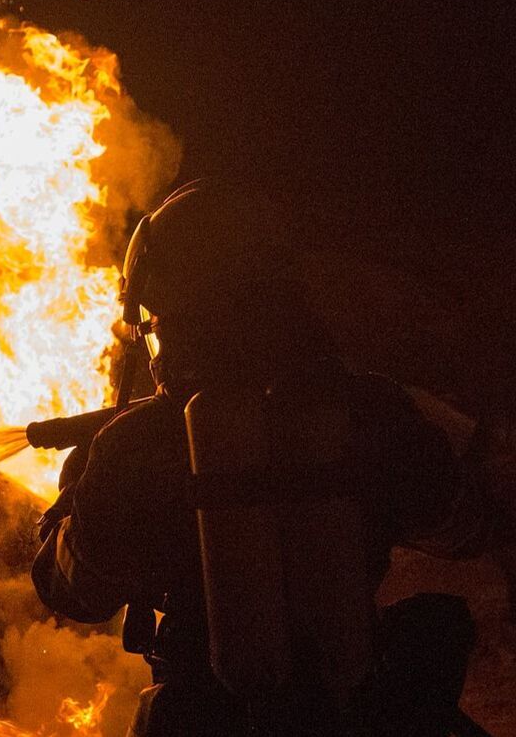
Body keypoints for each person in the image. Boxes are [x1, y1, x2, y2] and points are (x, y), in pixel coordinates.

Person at [32, 180, 494, 736]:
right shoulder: (371, 409)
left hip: (205, 717)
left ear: (173, 313)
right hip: (356, 713)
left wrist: (69, 499)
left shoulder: (136, 445)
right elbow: (464, 527)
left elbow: (76, 591)